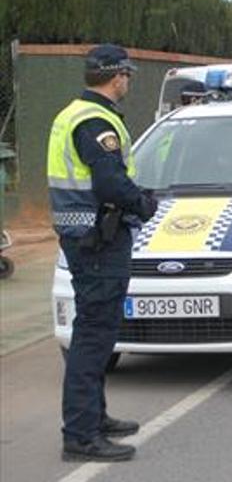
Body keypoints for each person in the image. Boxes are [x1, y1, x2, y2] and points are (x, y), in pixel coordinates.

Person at [47, 44, 157, 462]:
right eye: (126, 74)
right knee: (94, 338)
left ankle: (95, 418)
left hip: (84, 237)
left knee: (97, 333)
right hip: (98, 239)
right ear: (117, 77)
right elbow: (111, 183)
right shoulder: (96, 121)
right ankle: (80, 436)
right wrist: (143, 203)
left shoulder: (71, 113)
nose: (128, 81)